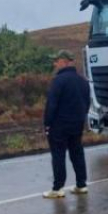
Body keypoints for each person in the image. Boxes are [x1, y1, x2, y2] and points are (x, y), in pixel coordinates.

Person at [42, 50, 91, 199]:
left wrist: (47, 124)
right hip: (77, 124)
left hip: (59, 125)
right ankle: (81, 184)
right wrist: (81, 118)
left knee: (58, 155)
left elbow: (52, 104)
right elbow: (87, 103)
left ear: (64, 61)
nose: (54, 63)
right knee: (77, 153)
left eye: (56, 60)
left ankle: (57, 188)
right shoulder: (82, 81)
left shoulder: (59, 81)